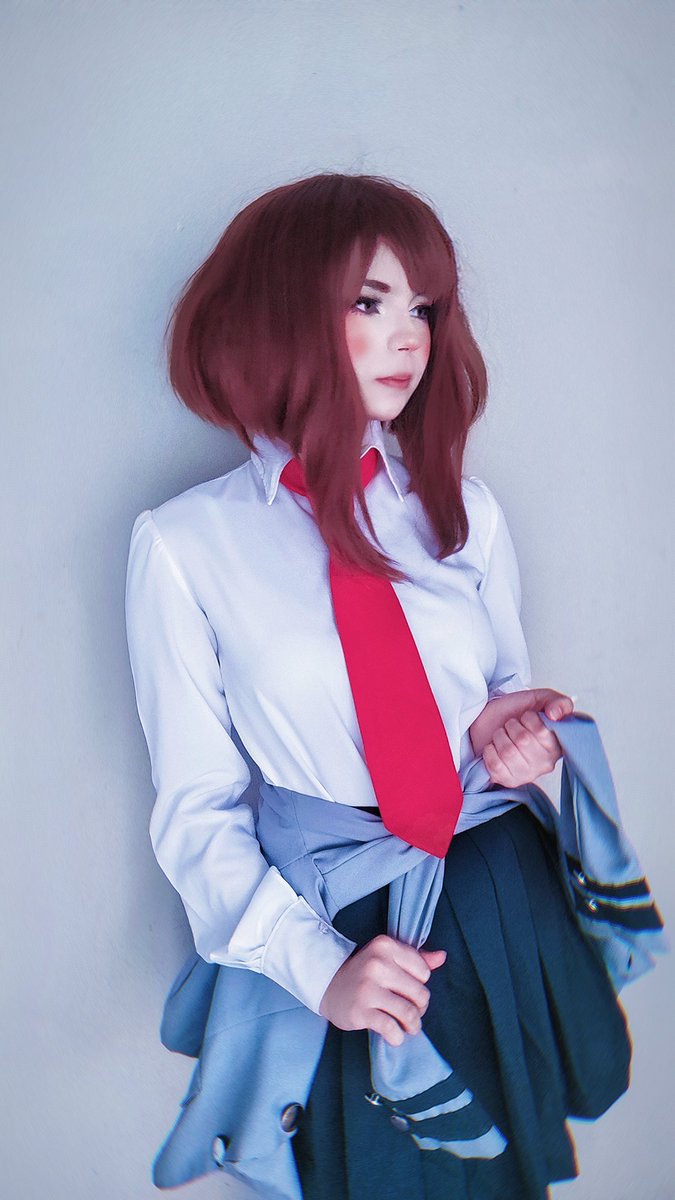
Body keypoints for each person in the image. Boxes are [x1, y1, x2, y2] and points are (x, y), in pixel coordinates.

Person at [124, 172, 632, 1199]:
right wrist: (322, 973)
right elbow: (197, 814)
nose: (410, 338)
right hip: (349, 933)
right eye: (371, 302)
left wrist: (515, 733)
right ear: (278, 311)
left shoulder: (462, 510)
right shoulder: (185, 546)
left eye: (424, 308)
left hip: (495, 894)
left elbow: (495, 704)